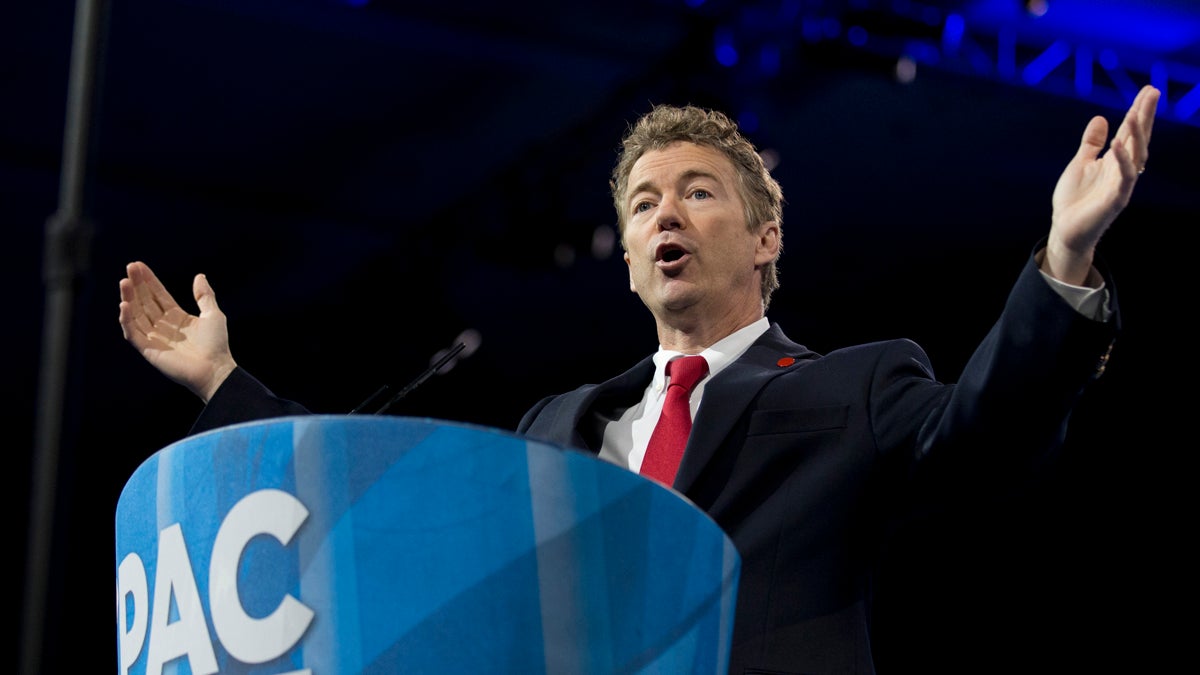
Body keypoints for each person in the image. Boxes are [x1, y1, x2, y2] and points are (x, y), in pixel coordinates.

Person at [118, 85, 1160, 674]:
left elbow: (984, 435)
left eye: (699, 193)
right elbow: (393, 510)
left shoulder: (854, 385)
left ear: (766, 238)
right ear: (622, 254)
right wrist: (226, 383)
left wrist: (1065, 259)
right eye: (645, 202)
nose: (666, 214)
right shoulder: (562, 427)